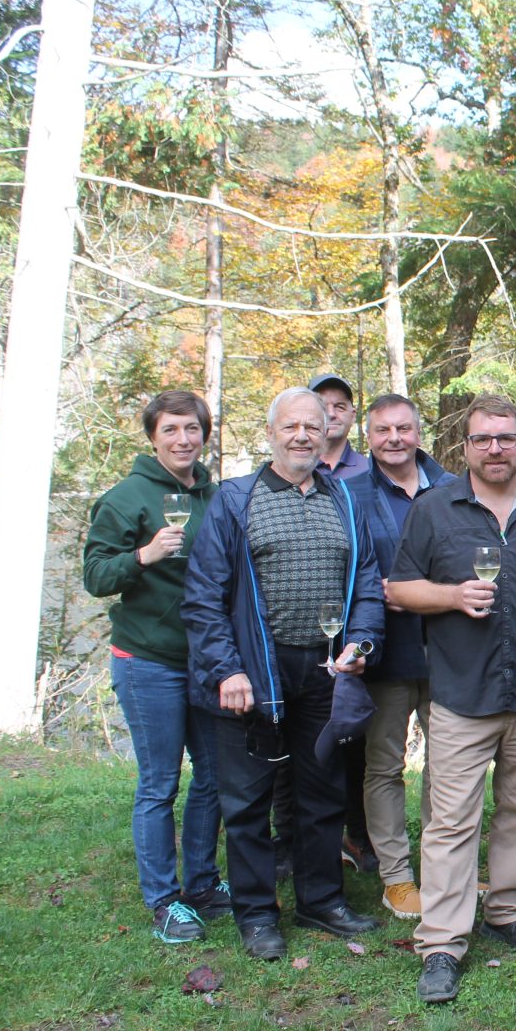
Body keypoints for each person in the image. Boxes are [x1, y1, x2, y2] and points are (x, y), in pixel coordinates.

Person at [388, 394, 516, 1005]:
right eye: (484, 439)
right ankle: (443, 943)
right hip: (461, 692)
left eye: (506, 438)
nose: (496, 449)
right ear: (467, 446)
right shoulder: (433, 510)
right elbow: (398, 587)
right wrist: (451, 598)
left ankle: (506, 910)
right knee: (451, 823)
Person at [181, 387, 386, 961]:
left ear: (327, 435)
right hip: (254, 670)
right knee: (247, 800)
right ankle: (256, 914)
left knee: (323, 791)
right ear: (271, 433)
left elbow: (367, 579)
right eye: (291, 426)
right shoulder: (234, 499)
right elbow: (203, 598)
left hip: (325, 670)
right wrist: (226, 669)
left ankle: (322, 899)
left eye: (313, 427)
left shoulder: (344, 498)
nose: (302, 436)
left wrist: (362, 641)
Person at [83, 390, 227, 944]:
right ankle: (165, 900)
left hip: (208, 660)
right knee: (160, 783)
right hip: (148, 660)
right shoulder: (126, 498)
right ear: (153, 437)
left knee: (214, 777)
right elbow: (96, 576)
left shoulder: (217, 497)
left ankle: (202, 886)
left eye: (192, 429)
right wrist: (143, 555)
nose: (183, 439)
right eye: (170, 430)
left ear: (204, 434)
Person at [344, 394, 455, 921]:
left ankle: (442, 868)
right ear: (368, 436)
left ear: (418, 432)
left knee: (449, 765)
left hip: (449, 649)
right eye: (383, 430)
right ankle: (396, 877)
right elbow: (344, 566)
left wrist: (421, 591)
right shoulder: (348, 494)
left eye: (403, 428)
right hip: (385, 652)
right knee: (384, 766)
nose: (394, 438)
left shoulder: (455, 487)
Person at [309, 372, 374, 874]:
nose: (333, 413)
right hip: (298, 637)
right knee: (304, 749)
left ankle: (357, 837)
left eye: (342, 405)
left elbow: (370, 561)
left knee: (355, 743)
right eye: (322, 405)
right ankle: (304, 848)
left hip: (355, 631)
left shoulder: (362, 476)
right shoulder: (283, 474)